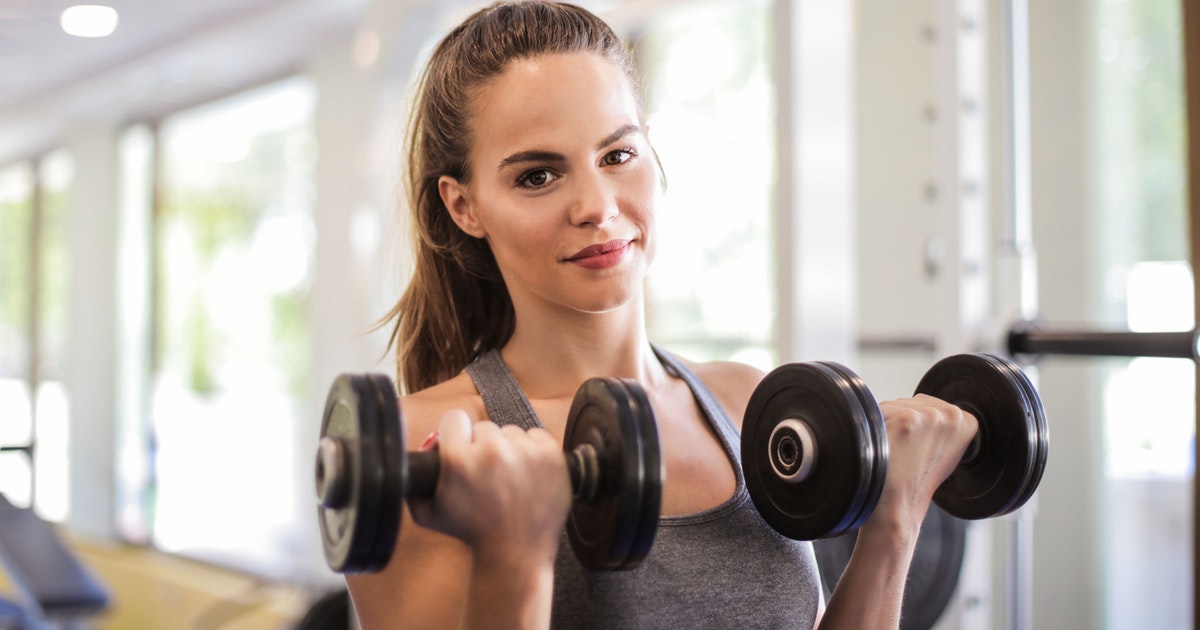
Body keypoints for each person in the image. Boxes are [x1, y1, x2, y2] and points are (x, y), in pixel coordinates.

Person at [346, 2, 978, 628]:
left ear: (650, 147)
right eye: (538, 175)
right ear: (464, 206)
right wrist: (513, 552)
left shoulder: (751, 406)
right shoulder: (421, 449)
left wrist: (896, 518)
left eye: (617, 155)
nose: (597, 205)